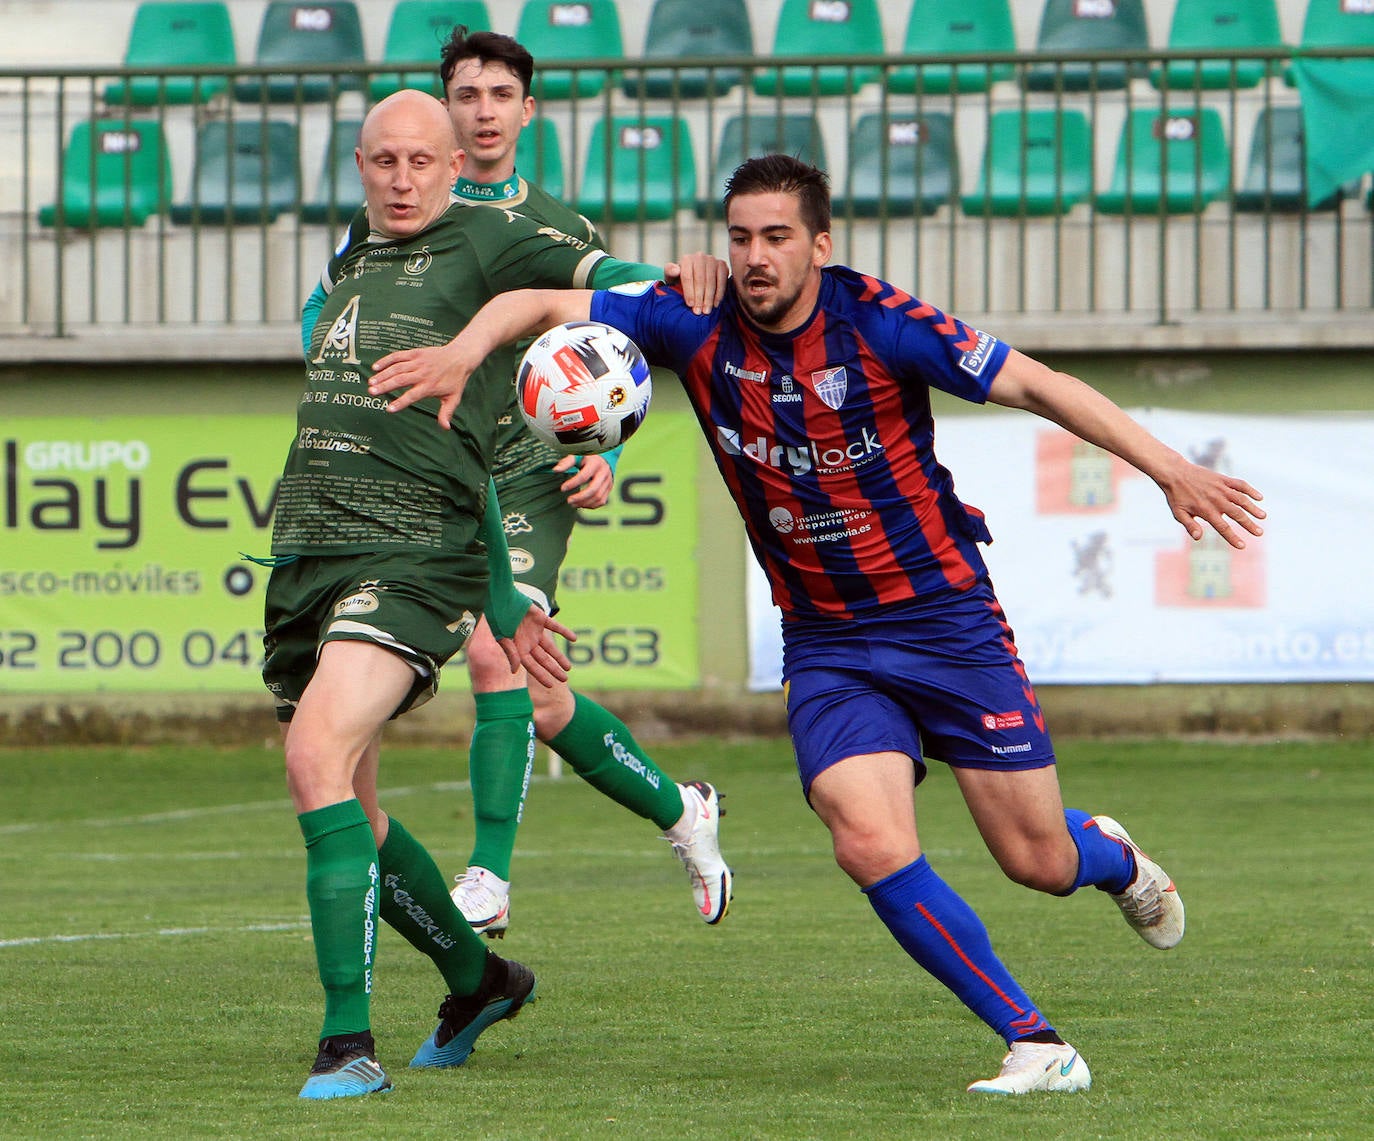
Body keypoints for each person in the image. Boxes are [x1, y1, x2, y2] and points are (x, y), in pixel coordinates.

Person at [367, 154, 1268, 1096]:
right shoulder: (688, 318)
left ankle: (1111, 857)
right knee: (867, 838)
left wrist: (1170, 467)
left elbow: (1037, 384)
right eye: (742, 237)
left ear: (820, 245)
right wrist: (467, 350)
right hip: (829, 641)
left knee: (1038, 859)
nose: (755, 257)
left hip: (945, 620)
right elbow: (540, 306)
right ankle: (1036, 1040)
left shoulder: (881, 321)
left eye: (777, 237)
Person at [269, 88, 715, 1101]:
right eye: (383, 160)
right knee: (353, 806)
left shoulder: (491, 242)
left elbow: (605, 296)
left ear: (450, 163)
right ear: (360, 163)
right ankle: (480, 980)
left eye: (420, 160)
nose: (402, 177)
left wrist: (680, 279)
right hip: (311, 547)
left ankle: (348, 1043)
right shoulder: (356, 259)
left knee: (314, 756)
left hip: (415, 551)